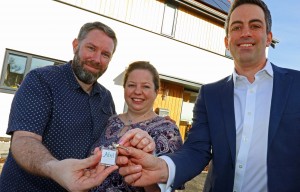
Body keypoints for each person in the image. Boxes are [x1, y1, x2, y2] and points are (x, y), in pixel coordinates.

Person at [117, 0, 300, 191]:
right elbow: (196, 150)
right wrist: (163, 167)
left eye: (254, 25)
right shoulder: (210, 95)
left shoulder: (296, 85)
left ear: (268, 37)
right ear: (227, 42)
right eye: (237, 27)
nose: (245, 32)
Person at [0, 21, 154, 191]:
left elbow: (110, 142)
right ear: (75, 45)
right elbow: (24, 139)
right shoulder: (41, 81)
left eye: (105, 54)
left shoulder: (106, 97)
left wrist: (149, 124)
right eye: (91, 48)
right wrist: (54, 168)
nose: (96, 59)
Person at [89, 61, 183, 192]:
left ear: (156, 91)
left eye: (145, 87)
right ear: (125, 88)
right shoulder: (110, 121)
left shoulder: (168, 131)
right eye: (132, 85)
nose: (138, 91)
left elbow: (166, 188)